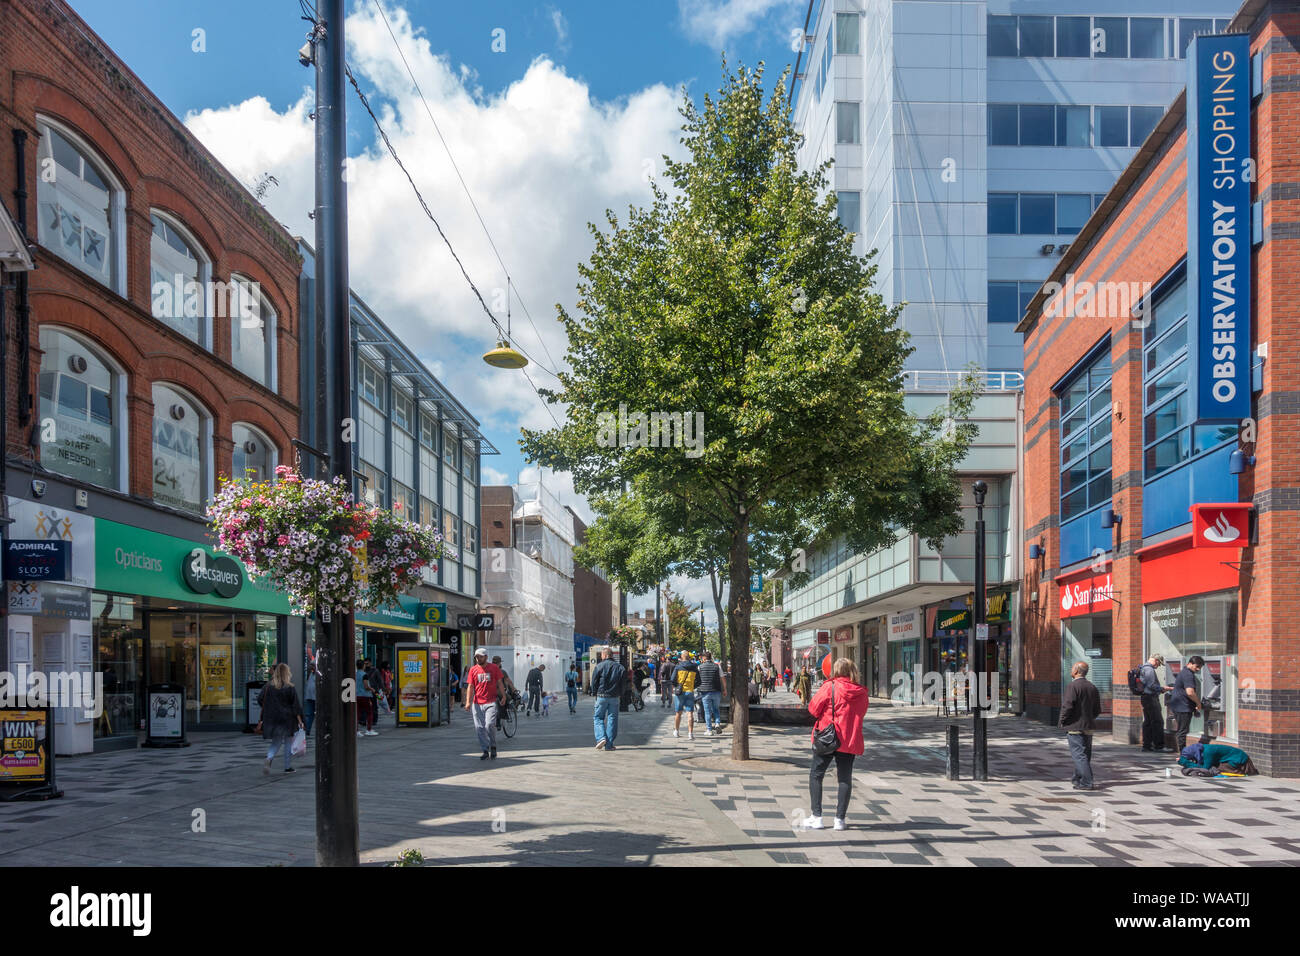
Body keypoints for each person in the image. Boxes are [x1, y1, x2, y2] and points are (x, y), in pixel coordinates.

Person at [800, 658, 870, 831]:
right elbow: (861, 713)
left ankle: (817, 817)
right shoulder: (861, 691)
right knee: (844, 778)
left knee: (816, 774)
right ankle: (839, 820)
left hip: (827, 737)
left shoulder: (829, 687)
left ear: (835, 670)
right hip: (849, 739)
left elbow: (813, 708)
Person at [1059, 660, 1102, 791]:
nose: (1071, 670)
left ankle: (1087, 782)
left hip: (1075, 726)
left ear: (1076, 671)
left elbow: (1067, 706)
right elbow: (1097, 709)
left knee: (1079, 755)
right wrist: (1090, 718)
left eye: (1072, 668)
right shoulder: (1092, 686)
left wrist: (1062, 720)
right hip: (1088, 726)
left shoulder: (1073, 687)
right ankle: (1077, 779)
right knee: (1085, 754)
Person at [258, 662, 305, 774]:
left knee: (276, 742)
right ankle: (287, 766)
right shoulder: (290, 687)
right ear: (286, 673)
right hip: (287, 719)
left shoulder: (268, 686)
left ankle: (269, 758)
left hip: (272, 718)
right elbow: (295, 705)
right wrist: (300, 721)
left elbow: (260, 699)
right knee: (288, 742)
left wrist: (269, 709)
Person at [464, 647, 505, 760]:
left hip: (491, 702)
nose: (478, 658)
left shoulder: (494, 668)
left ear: (486, 657)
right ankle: (485, 750)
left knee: (489, 725)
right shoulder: (473, 670)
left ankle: (493, 744)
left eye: (480, 656)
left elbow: (500, 683)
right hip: (477, 703)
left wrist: (504, 696)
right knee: (479, 728)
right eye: (476, 657)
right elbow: (470, 686)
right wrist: (467, 702)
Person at [591, 648, 626, 750]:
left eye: (601, 655)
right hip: (614, 697)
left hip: (601, 696)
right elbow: (623, 684)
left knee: (598, 718)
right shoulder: (620, 668)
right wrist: (621, 693)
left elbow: (594, 682)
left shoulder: (599, 666)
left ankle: (601, 737)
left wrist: (594, 693)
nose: (601, 657)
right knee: (612, 719)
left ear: (605, 655)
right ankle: (609, 745)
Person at [1169, 656, 1204, 754]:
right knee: (1183, 731)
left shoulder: (1183, 672)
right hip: (1183, 707)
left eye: (1200, 668)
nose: (1198, 669)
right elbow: (1190, 692)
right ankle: (1183, 754)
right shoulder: (1188, 674)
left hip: (1178, 705)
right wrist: (1198, 703)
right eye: (1197, 667)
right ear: (1190, 663)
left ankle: (1183, 752)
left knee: (1181, 730)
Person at [1139, 653, 1172, 752]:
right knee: (1157, 722)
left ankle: (1147, 745)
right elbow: (1152, 685)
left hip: (1146, 698)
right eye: (1159, 664)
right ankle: (1159, 746)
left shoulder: (1144, 668)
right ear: (1156, 660)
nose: (1158, 666)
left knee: (1148, 722)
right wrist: (1163, 689)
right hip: (1150, 698)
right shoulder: (1149, 670)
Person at [1179, 734, 1259, 775]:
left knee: (1217, 768)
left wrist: (1186, 763)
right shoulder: (1201, 748)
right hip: (1237, 758)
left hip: (1240, 761)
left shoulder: (1208, 752)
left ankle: (1241, 771)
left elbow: (1205, 768)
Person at [696, 650, 726, 735]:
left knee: (707, 711)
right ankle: (717, 723)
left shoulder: (700, 667)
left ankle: (709, 730)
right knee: (716, 709)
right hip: (716, 691)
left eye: (702, 657)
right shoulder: (717, 666)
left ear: (704, 658)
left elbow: (697, 679)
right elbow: (723, 678)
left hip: (705, 692)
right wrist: (725, 689)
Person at [671, 651, 699, 740]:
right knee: (690, 713)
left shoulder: (678, 667)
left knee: (678, 712)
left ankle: (676, 731)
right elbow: (699, 681)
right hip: (690, 691)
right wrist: (692, 686)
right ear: (689, 657)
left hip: (680, 692)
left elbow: (672, 679)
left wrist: (677, 686)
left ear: (682, 657)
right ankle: (690, 733)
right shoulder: (694, 668)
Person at [355, 658, 376, 737]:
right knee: (369, 712)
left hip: (357, 695)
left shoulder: (355, 674)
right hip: (365, 696)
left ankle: (356, 731)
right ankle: (369, 729)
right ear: (363, 666)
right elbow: (366, 686)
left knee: (357, 714)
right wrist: (372, 689)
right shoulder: (364, 675)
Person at [303, 659, 318, 737]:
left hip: (316, 697)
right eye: (311, 665)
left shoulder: (318, 674)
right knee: (309, 714)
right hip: (309, 697)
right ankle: (307, 730)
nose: (311, 667)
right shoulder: (311, 674)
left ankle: (309, 730)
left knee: (311, 714)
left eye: (313, 665)